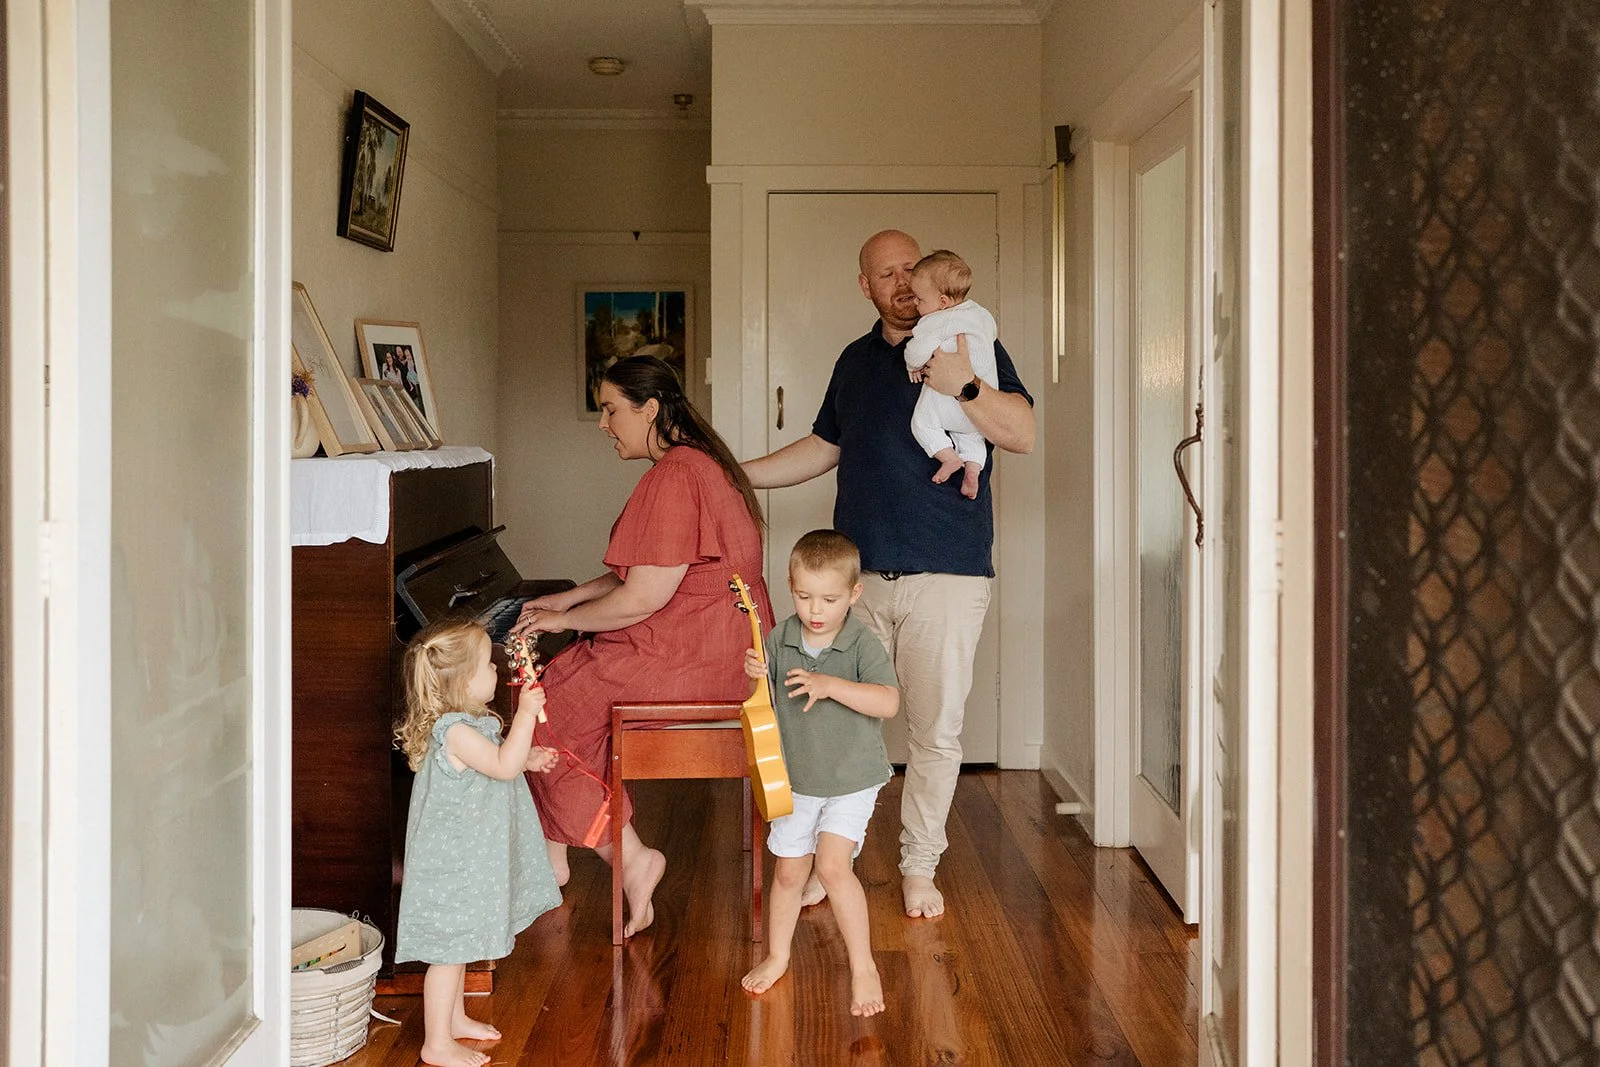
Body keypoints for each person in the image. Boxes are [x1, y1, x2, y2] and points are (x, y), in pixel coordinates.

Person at [743, 229, 1035, 920]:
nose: (903, 282)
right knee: (836, 723)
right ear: (866, 286)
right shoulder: (855, 361)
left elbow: (1020, 432)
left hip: (948, 573)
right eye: (886, 273)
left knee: (935, 730)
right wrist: (735, 475)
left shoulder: (965, 342)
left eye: (911, 268)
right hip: (857, 581)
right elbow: (823, 447)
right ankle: (822, 862)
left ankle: (918, 865)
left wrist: (961, 383)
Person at [509, 355, 774, 937]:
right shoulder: (701, 463)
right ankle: (558, 853)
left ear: (649, 409)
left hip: (697, 656)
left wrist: (564, 624)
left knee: (542, 703)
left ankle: (626, 859)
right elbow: (649, 571)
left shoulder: (677, 474)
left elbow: (641, 599)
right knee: (559, 687)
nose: (604, 424)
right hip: (722, 646)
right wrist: (569, 601)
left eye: (610, 410)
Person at [740, 530, 899, 1016]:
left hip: (851, 778)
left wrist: (831, 684)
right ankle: (778, 955)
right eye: (804, 595)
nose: (816, 609)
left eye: (829, 599)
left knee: (832, 867)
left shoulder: (860, 644)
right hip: (797, 778)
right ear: (790, 585)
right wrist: (753, 673)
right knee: (788, 874)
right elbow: (765, 705)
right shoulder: (777, 638)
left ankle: (863, 966)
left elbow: (889, 702)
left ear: (853, 594)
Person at [393, 619, 563, 1067]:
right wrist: (526, 715)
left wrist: (525, 756)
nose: (494, 668)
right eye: (488, 664)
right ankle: (436, 1043)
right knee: (449, 953)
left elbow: (497, 763)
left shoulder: (470, 724)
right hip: (455, 862)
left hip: (469, 855)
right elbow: (500, 768)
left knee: (462, 941)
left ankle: (455, 1019)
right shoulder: (455, 731)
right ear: (465, 681)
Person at [904, 249, 999, 500]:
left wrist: (912, 364)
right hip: (981, 404)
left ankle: (948, 458)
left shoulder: (935, 321)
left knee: (922, 422)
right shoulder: (982, 315)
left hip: (948, 394)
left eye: (919, 299)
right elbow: (991, 336)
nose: (915, 303)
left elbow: (916, 353)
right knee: (971, 434)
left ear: (943, 303)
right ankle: (973, 468)